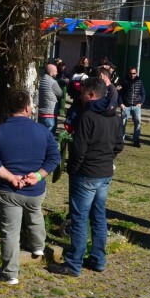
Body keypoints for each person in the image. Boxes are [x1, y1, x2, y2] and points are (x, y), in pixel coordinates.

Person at [50, 77, 119, 276]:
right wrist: (107, 159)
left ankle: (73, 263)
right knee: (99, 216)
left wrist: (73, 168)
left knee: (80, 218)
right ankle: (98, 259)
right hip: (105, 173)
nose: (80, 98)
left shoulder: (88, 116)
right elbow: (119, 145)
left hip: (86, 174)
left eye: (82, 94)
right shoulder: (115, 115)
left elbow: (79, 149)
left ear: (91, 94)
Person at [0, 90, 60, 284]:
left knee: (10, 231)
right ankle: (38, 246)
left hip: (8, 189)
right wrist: (38, 175)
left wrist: (11, 177)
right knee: (35, 213)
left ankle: (10, 273)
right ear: (28, 108)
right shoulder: (43, 131)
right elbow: (54, 157)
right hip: (35, 189)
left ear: (8, 108)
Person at [120, 66, 146, 148]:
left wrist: (141, 103)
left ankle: (136, 140)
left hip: (136, 106)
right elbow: (120, 94)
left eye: (134, 73)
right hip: (126, 106)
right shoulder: (124, 82)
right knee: (123, 123)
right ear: (128, 73)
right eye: (131, 73)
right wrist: (121, 103)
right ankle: (121, 140)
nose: (133, 75)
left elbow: (143, 93)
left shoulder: (139, 81)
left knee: (137, 123)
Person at [38, 63, 63, 135]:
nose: (57, 73)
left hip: (41, 113)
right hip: (50, 114)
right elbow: (61, 94)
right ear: (51, 73)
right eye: (55, 71)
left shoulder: (41, 80)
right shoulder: (53, 82)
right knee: (49, 137)